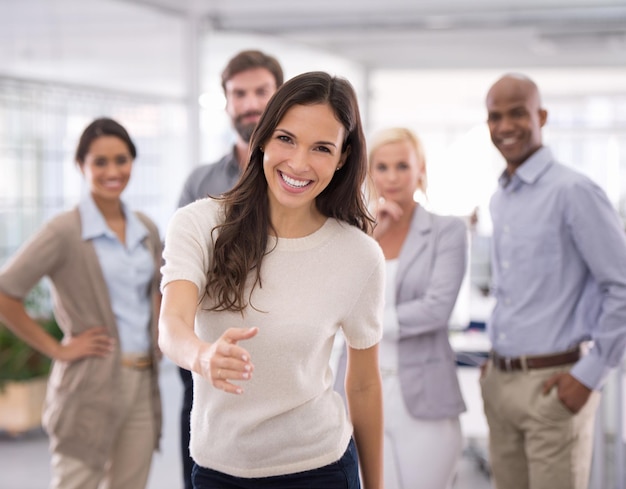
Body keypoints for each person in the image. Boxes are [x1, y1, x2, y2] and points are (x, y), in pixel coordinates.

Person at [159, 71, 384, 489]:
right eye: (286, 139)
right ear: (262, 137)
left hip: (323, 469)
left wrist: (376, 486)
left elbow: (365, 383)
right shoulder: (198, 224)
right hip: (219, 470)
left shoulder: (359, 255)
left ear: (342, 158)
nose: (299, 163)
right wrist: (200, 357)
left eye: (321, 148)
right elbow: (171, 326)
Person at [480, 73, 626, 489]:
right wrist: (495, 365)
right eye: (495, 117)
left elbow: (621, 285)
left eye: (517, 113)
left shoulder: (574, 191)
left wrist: (590, 375)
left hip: (555, 386)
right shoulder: (500, 197)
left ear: (541, 115)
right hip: (501, 383)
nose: (505, 126)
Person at [0, 117, 163, 489]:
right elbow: (5, 291)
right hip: (88, 385)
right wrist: (56, 348)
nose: (112, 171)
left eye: (121, 160)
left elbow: (157, 285)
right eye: (99, 162)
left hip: (142, 382)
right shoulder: (64, 230)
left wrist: (157, 332)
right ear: (81, 166)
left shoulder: (145, 228)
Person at [335, 127, 467, 489]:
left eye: (402, 166)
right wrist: (371, 236)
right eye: (382, 167)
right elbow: (334, 299)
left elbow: (436, 309)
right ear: (368, 173)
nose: (392, 177)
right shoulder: (352, 233)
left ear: (420, 170)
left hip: (423, 399)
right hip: (355, 392)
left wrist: (366, 324)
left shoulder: (447, 231)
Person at [175, 48, 284, 489]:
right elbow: (179, 270)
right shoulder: (200, 184)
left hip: (281, 350)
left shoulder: (301, 174)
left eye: (261, 91)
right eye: (239, 93)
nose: (250, 103)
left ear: (280, 96)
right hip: (208, 353)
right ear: (226, 102)